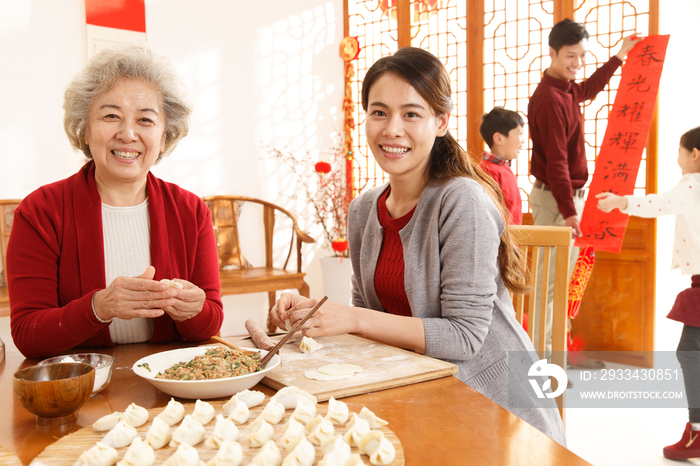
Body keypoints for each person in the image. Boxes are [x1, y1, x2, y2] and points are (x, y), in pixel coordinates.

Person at [269, 47, 566, 445]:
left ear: (441, 122)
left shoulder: (463, 200)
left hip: (498, 408)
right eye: (379, 112)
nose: (392, 129)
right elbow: (370, 318)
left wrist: (351, 320)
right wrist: (312, 319)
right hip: (423, 392)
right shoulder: (363, 210)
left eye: (411, 114)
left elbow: (464, 338)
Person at [7, 44, 223, 359]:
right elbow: (29, 334)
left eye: (145, 121)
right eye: (111, 116)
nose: (127, 134)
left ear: (164, 138)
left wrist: (193, 309)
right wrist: (100, 307)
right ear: (85, 130)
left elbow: (210, 323)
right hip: (81, 389)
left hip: (169, 389)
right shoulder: (40, 211)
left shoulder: (191, 210)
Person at [528, 19, 641, 354]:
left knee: (558, 285)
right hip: (555, 202)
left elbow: (588, 90)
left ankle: (553, 356)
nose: (577, 64)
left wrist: (619, 57)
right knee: (549, 288)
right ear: (552, 52)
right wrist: (569, 212)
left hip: (564, 200)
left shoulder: (565, 89)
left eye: (582, 56)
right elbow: (558, 164)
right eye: (570, 56)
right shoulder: (550, 99)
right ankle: (541, 362)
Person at [597, 126, 700, 460]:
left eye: (680, 152)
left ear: (694, 155)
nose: (677, 159)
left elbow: (660, 203)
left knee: (689, 353)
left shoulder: (692, 184)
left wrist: (620, 201)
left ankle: (697, 431)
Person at [479, 107, 525, 225]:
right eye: (520, 133)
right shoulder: (487, 171)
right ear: (498, 138)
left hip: (513, 241)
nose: (523, 141)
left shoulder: (503, 168)